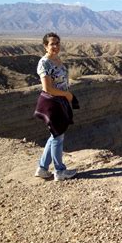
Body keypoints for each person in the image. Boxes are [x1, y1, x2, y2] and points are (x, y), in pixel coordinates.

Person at [34, 32, 77, 181]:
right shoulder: (44, 63)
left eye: (58, 43)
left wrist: (66, 95)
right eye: (52, 43)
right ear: (45, 46)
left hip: (60, 101)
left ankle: (42, 168)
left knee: (55, 135)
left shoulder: (57, 59)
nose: (56, 46)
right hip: (52, 102)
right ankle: (59, 171)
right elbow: (47, 88)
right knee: (58, 136)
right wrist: (66, 95)